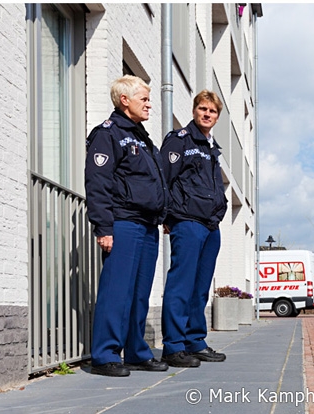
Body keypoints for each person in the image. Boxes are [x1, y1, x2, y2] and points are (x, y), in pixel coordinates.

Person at [85, 75, 169, 377]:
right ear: (124, 100)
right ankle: (105, 355)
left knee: (139, 294)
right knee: (117, 291)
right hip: (123, 223)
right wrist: (104, 227)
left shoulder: (142, 139)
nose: (149, 105)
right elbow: (98, 182)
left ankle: (136, 352)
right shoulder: (108, 134)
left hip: (147, 226)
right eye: (143, 99)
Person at [159, 90, 229, 367]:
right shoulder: (180, 140)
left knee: (200, 288)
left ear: (217, 117)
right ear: (194, 110)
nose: (207, 114)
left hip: (210, 226)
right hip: (187, 222)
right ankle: (173, 346)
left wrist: (220, 210)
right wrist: (167, 216)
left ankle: (195, 341)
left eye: (212, 111)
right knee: (181, 285)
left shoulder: (212, 148)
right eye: (202, 108)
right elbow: (164, 179)